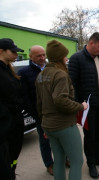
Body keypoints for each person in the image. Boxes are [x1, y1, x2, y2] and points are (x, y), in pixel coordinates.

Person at [35, 40, 87, 180]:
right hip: (64, 125)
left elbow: (39, 104)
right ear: (59, 57)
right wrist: (80, 106)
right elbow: (60, 100)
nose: (66, 59)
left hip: (49, 125)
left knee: (58, 160)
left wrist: (44, 126)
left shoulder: (41, 75)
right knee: (77, 161)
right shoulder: (60, 75)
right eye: (65, 56)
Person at [68, 32, 99, 179]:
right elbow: (71, 83)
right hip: (87, 105)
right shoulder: (77, 58)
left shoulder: (98, 56)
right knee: (90, 135)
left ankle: (98, 157)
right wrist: (77, 103)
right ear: (91, 43)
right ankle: (91, 164)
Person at [17, 45, 55, 175]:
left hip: (56, 113)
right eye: (39, 56)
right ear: (31, 56)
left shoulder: (51, 68)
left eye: (44, 55)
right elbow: (25, 97)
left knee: (61, 139)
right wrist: (35, 114)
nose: (42, 58)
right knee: (45, 141)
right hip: (40, 114)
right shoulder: (23, 73)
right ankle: (50, 165)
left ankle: (64, 159)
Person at [0, 38, 24, 180]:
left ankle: (12, 171)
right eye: (13, 52)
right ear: (1, 51)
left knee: (14, 154)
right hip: (5, 125)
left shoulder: (9, 69)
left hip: (15, 122)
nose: (16, 55)